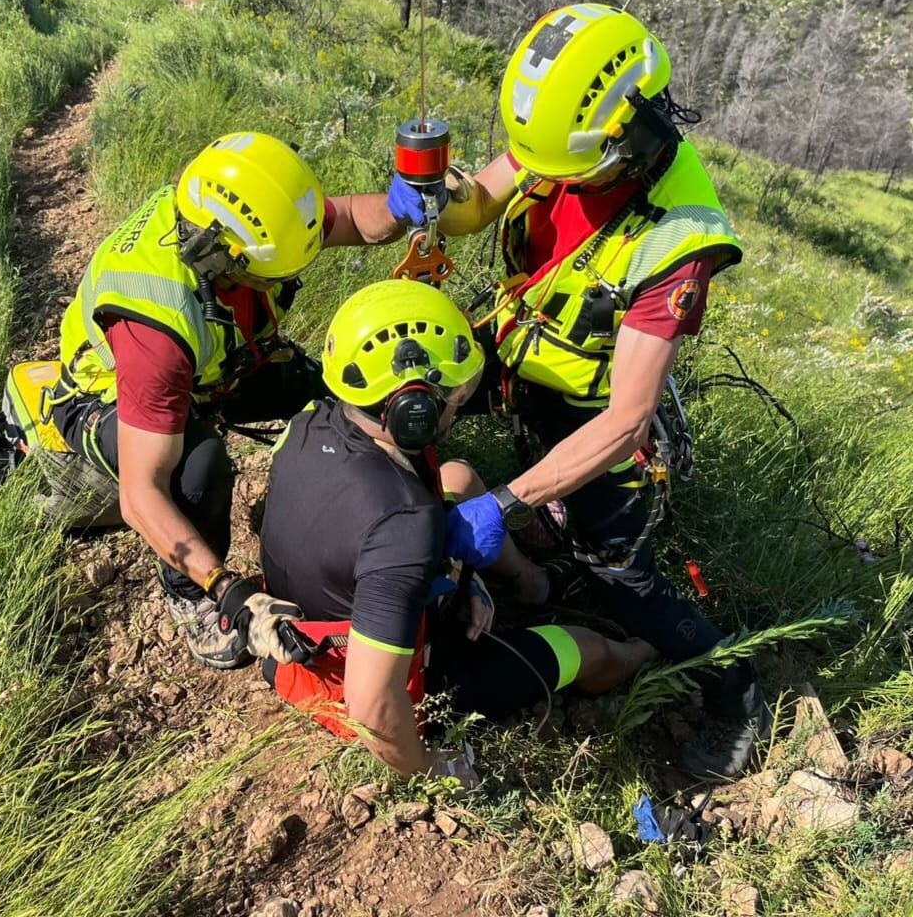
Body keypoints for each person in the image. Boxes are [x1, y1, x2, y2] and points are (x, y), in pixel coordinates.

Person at [382, 4, 768, 780]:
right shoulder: (567, 137)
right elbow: (483, 197)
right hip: (518, 350)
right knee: (400, 406)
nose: (553, 181)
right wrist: (433, 200)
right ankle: (523, 573)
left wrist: (505, 503)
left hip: (592, 415)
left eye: (570, 172)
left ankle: (738, 694)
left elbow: (627, 420)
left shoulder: (680, 238)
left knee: (625, 581)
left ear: (633, 136)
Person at [5, 131, 475, 672]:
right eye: (273, 275)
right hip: (105, 393)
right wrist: (230, 593)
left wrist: (397, 209)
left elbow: (345, 217)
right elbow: (140, 495)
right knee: (197, 469)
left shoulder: (237, 217)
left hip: (207, 370)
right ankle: (189, 597)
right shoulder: (157, 333)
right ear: (220, 258)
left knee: (336, 393)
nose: (287, 278)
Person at [258, 280, 656, 781]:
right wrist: (431, 768)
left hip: (303, 641)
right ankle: (649, 654)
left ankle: (532, 584)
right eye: (452, 395)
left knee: (459, 478)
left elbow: (366, 542)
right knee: (586, 649)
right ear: (413, 410)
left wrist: (455, 578)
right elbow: (371, 707)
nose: (458, 403)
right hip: (349, 685)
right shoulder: (403, 525)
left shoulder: (311, 421)